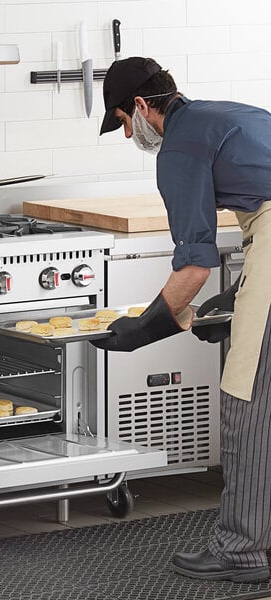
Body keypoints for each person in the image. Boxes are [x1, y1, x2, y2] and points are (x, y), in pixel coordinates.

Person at [94, 56, 271, 583]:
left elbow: (194, 263)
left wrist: (147, 327)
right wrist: (239, 298)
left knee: (247, 392)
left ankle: (242, 551)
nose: (131, 134)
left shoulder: (179, 148)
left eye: (125, 122)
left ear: (143, 107)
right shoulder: (229, 114)